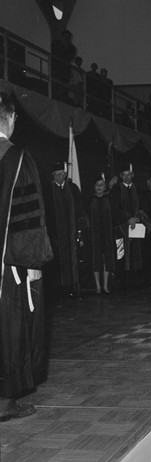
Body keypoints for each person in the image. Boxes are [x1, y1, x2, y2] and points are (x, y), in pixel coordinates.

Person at [0, 92, 53, 421]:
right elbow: (29, 216)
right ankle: (6, 402)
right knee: (11, 328)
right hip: (9, 267)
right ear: (8, 118)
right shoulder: (16, 158)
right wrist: (32, 262)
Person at [44, 161, 87, 298]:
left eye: (61, 174)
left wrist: (80, 231)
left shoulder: (73, 189)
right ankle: (58, 291)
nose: (59, 176)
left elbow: (80, 211)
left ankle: (73, 288)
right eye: (56, 174)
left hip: (71, 232)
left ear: (66, 174)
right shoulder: (48, 190)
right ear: (52, 175)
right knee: (58, 261)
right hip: (55, 234)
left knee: (73, 260)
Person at [110, 163, 147, 290]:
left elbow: (144, 208)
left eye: (129, 174)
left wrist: (138, 217)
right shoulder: (115, 191)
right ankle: (123, 283)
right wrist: (127, 219)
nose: (126, 177)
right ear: (120, 176)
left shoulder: (139, 189)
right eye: (124, 175)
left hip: (137, 226)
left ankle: (137, 281)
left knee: (138, 253)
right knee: (122, 254)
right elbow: (114, 210)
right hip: (122, 228)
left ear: (133, 175)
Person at [89, 174, 115, 294]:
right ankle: (97, 286)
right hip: (94, 235)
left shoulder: (109, 199)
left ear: (105, 187)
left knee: (106, 260)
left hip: (107, 234)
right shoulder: (89, 200)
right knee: (96, 260)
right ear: (94, 187)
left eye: (101, 185)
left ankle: (105, 286)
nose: (99, 187)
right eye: (97, 185)